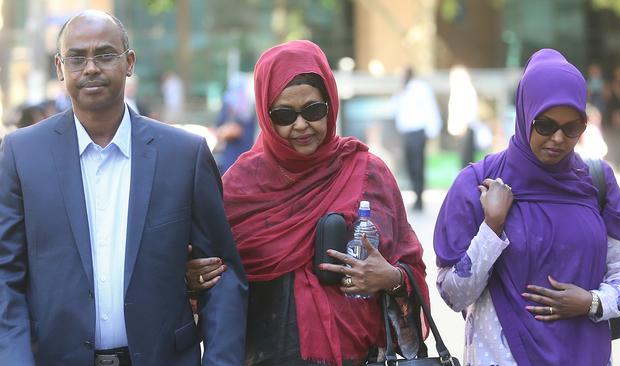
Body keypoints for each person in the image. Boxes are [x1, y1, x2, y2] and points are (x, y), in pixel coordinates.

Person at [0, 10, 247, 366]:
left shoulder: (183, 155)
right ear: (59, 67)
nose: (90, 68)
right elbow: (7, 274)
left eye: (104, 54)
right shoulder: (22, 155)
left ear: (129, 62)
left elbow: (222, 276)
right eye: (76, 57)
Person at [186, 40, 429, 365]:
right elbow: (208, 281)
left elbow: (409, 265)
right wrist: (192, 279)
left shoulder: (368, 174)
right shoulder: (239, 187)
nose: (301, 125)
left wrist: (393, 278)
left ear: (330, 104)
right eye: (284, 115)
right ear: (265, 114)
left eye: (313, 110)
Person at [433, 49, 620, 365]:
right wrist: (491, 228)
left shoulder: (597, 182)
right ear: (524, 113)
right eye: (545, 125)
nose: (558, 138)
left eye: (571, 128)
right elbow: (454, 295)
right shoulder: (478, 182)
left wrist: (591, 302)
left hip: (586, 355)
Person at [391, 66, 441, 211]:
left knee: (418, 165)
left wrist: (432, 130)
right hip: (407, 133)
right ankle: (415, 195)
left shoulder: (420, 88)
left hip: (418, 132)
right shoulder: (403, 91)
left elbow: (430, 108)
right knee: (410, 165)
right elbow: (393, 109)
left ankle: (420, 199)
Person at [213, 72, 257, 173]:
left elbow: (243, 131)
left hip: (242, 154)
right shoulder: (229, 103)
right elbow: (218, 126)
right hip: (231, 154)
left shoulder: (249, 107)